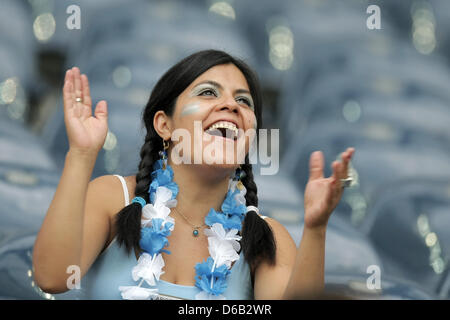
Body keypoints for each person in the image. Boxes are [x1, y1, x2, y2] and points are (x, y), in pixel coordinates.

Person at [32, 49, 355, 300]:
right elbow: (52, 277)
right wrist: (82, 154)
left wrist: (315, 228)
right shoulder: (113, 197)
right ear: (165, 125)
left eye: (244, 101)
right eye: (208, 93)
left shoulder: (266, 237)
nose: (231, 105)